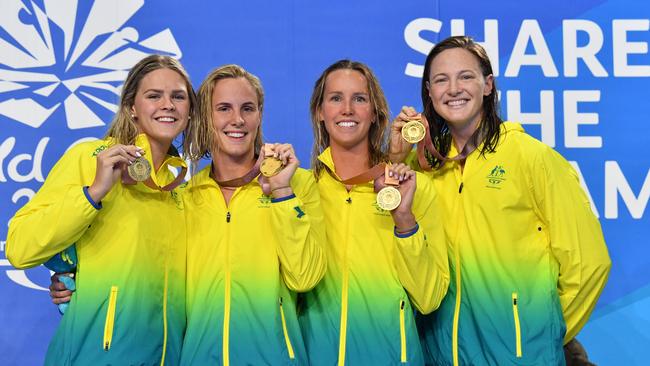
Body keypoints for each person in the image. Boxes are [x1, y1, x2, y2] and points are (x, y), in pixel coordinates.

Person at [389, 36, 612, 366]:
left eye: (466, 76)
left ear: (488, 85)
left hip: (521, 355)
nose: (453, 89)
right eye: (441, 79)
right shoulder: (426, 169)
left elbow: (590, 262)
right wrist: (396, 156)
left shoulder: (532, 158)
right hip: (443, 355)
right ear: (429, 92)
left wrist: (539, 333)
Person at [7, 55, 196, 365]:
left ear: (189, 112)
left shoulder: (183, 190)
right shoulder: (90, 158)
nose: (168, 104)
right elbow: (20, 247)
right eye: (153, 96)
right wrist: (93, 193)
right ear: (131, 107)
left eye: (178, 96)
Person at [300, 59, 449, 365]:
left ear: (375, 114)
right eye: (335, 98)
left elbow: (429, 297)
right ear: (320, 112)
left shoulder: (415, 188)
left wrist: (404, 221)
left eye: (359, 98)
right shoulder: (300, 189)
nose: (347, 109)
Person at [179, 64, 327, 365]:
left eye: (248, 108)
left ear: (259, 116)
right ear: (205, 117)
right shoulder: (186, 198)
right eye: (223, 108)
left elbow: (305, 277)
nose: (238, 120)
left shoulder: (299, 183)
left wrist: (282, 193)